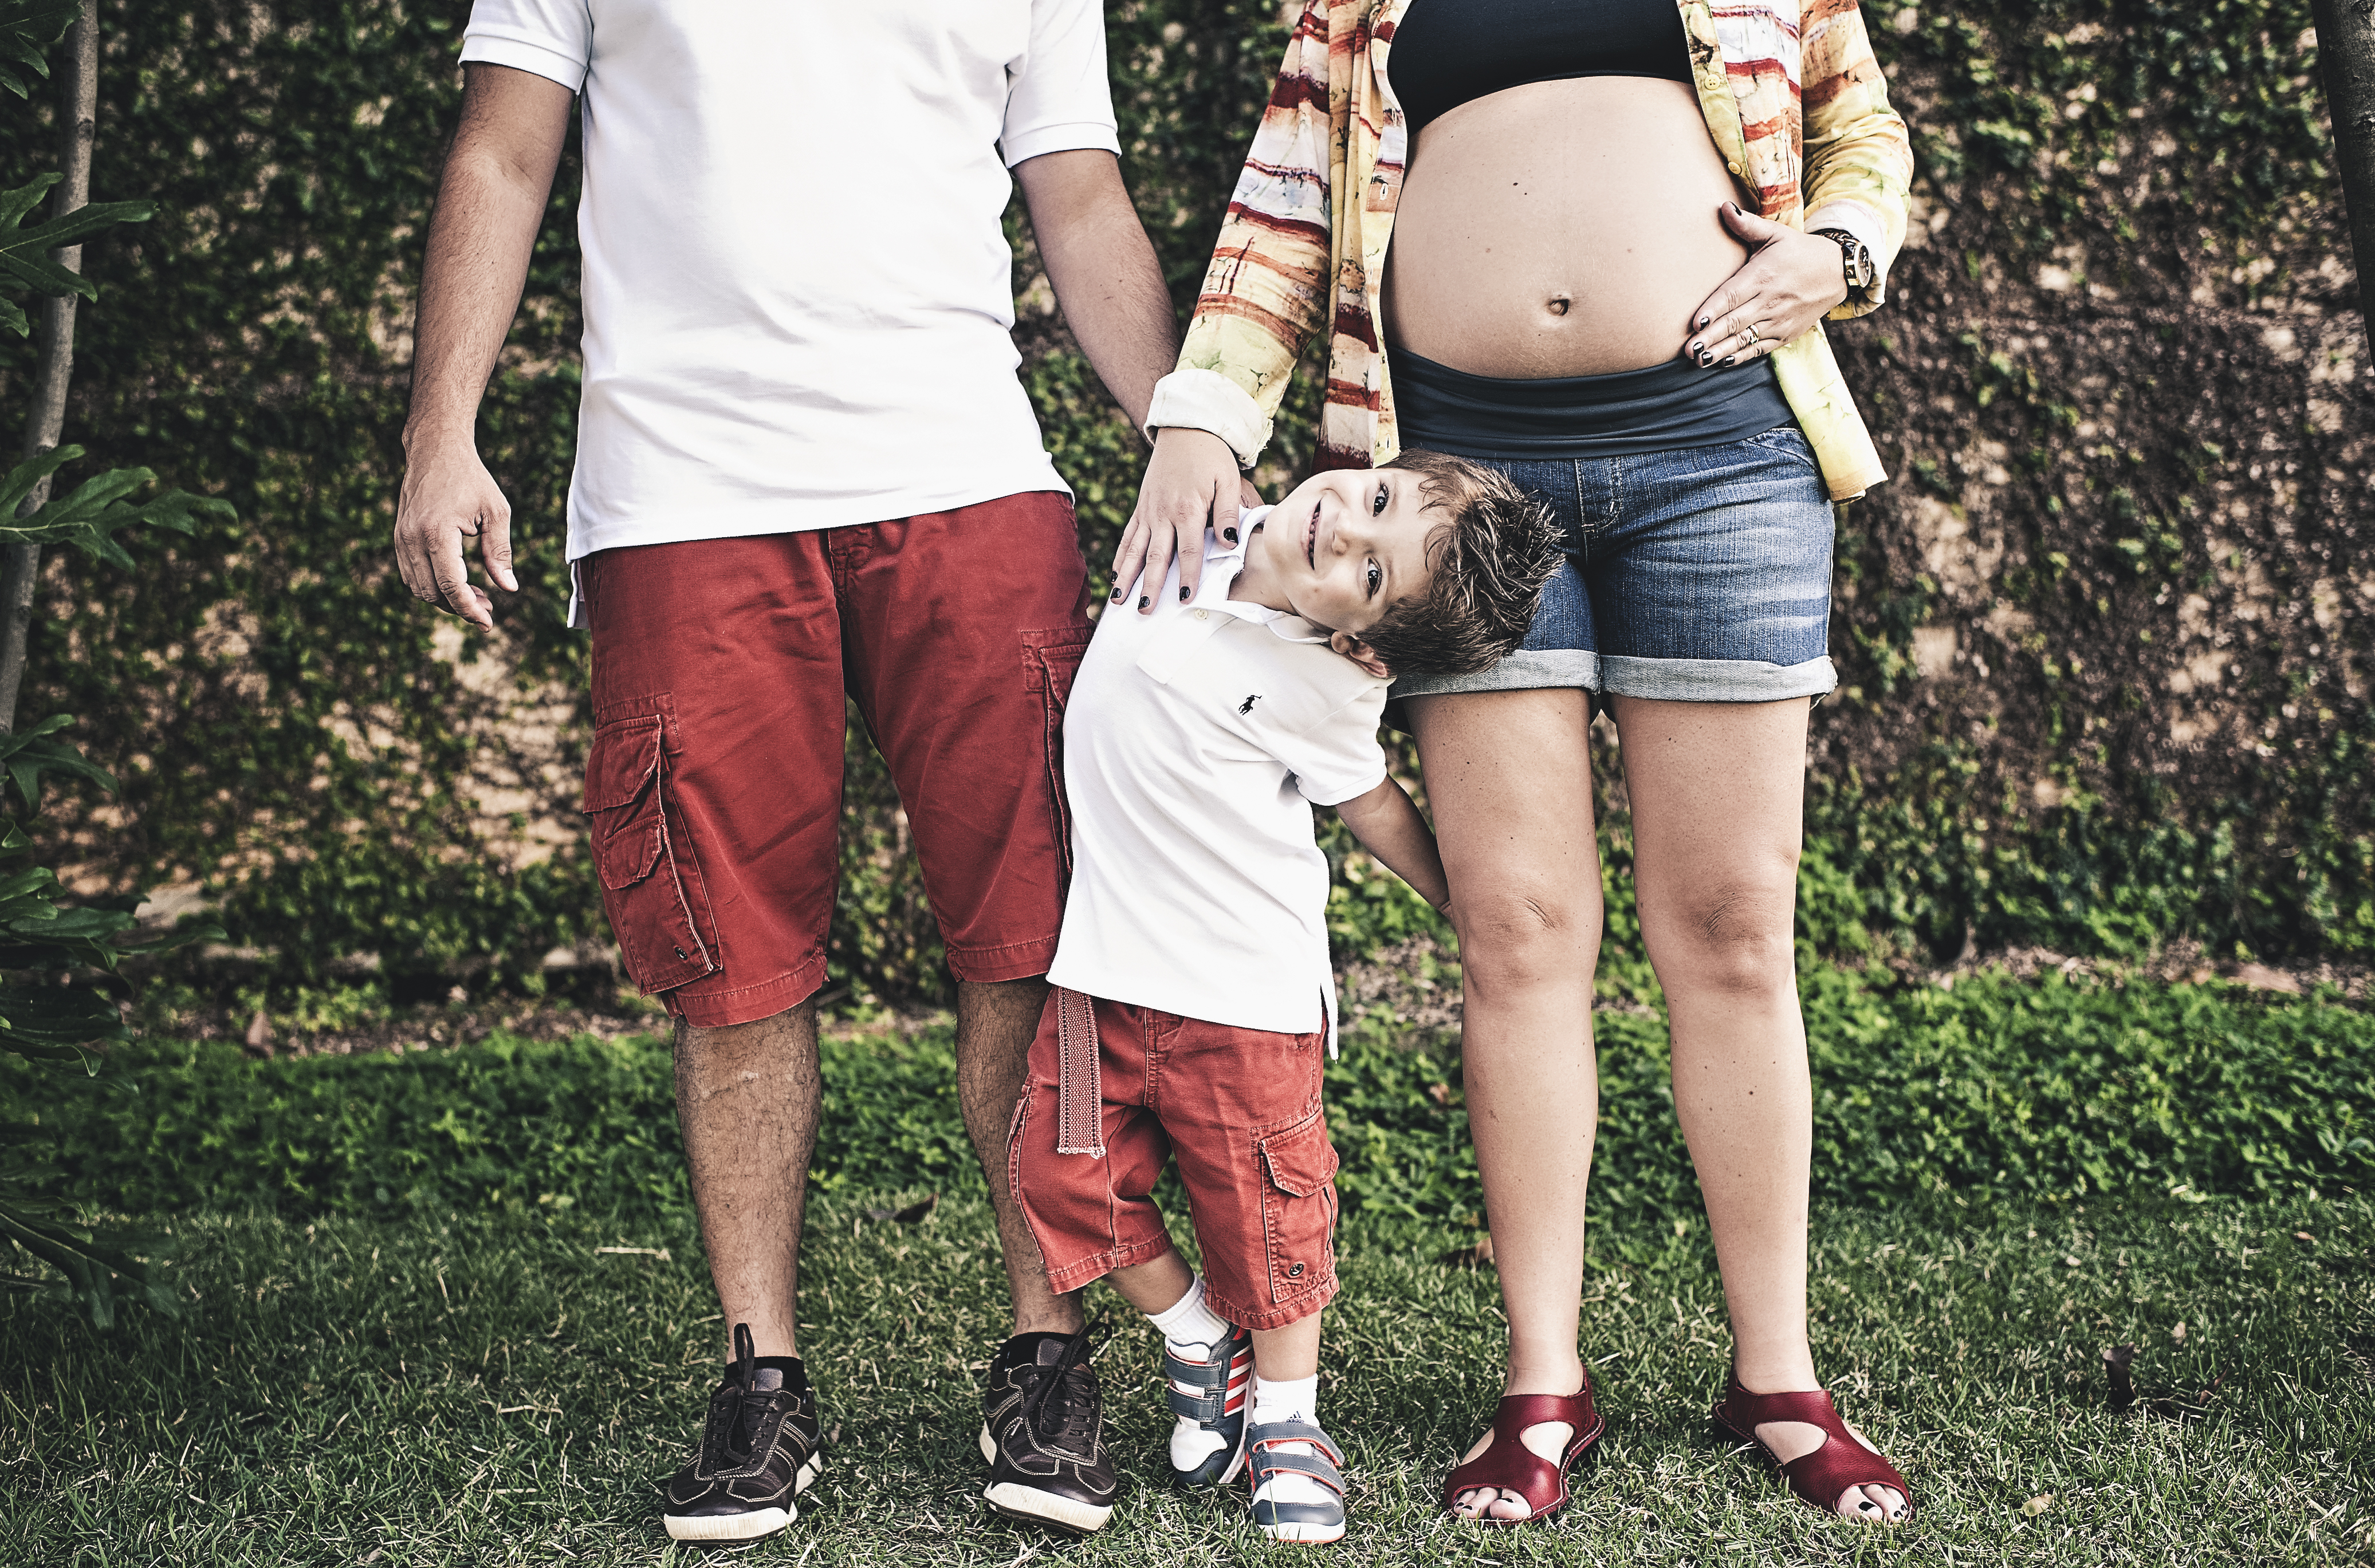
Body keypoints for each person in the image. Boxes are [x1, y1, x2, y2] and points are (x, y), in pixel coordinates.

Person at [390, 0, 1195, 1543]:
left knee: (1034, 935)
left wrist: (1185, 425)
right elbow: (500, 150)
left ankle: (1048, 1355)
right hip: (684, 489)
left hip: (967, 473)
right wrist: (443, 431)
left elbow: (1081, 192)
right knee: (731, 958)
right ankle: (760, 1379)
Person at [1116, 0, 1917, 1528]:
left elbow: (1855, 120)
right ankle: (1543, 1383)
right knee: (1517, 928)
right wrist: (1202, 415)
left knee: (1734, 926)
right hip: (1449, 493)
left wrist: (1843, 247)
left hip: (1723, 451)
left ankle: (1780, 1378)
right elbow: (1284, 204)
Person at [1000, 451, 1560, 1541]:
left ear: (1362, 640)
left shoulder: (1329, 683)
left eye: (1371, 573)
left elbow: (1371, 804)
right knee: (1058, 1178)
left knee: (1265, 1218)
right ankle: (1199, 1338)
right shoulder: (1190, 521)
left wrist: (1460, 900)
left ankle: (1290, 1420)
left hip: (1243, 996)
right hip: (1099, 970)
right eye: (1376, 498)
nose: (1344, 530)